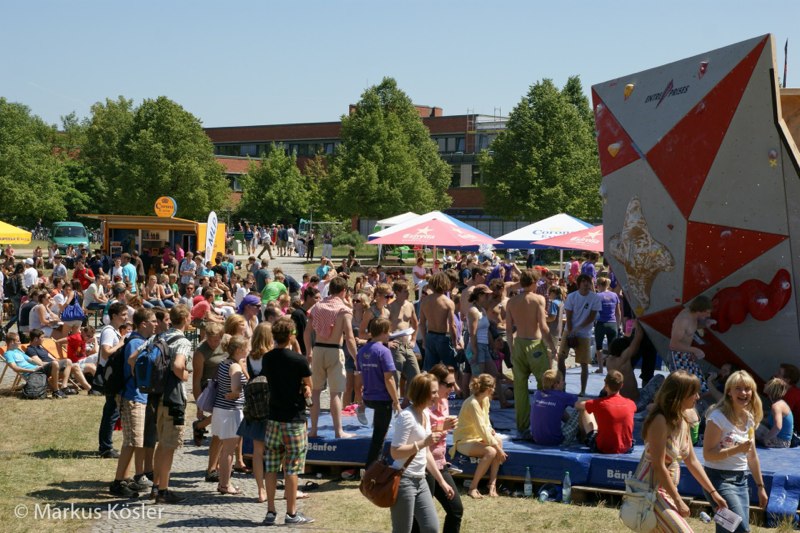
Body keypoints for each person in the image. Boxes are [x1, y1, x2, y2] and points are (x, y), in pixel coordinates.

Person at [632, 371, 728, 531]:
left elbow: (692, 461)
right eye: (694, 393)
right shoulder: (660, 420)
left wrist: (713, 493)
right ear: (679, 395)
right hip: (651, 493)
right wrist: (678, 501)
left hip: (666, 492)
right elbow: (658, 465)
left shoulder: (683, 420)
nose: (698, 397)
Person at [262, 317, 315, 526]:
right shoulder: (298, 360)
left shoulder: (267, 359)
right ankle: (291, 513)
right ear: (292, 335)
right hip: (294, 419)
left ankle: (270, 511)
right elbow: (308, 384)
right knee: (292, 467)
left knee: (272, 467)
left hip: (274, 417)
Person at [702, 370, 768, 532]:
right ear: (729, 392)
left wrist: (760, 486)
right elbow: (708, 454)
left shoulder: (749, 418)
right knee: (741, 529)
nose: (743, 393)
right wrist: (736, 449)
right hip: (717, 479)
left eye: (747, 389)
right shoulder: (717, 418)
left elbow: (752, 456)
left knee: (728, 529)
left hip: (741, 480)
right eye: (738, 388)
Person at [390, 373, 453, 533]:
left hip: (421, 480)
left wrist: (442, 482)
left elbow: (426, 453)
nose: (437, 395)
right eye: (433, 392)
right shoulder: (406, 417)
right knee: (402, 530)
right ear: (422, 392)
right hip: (404, 481)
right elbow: (395, 452)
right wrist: (423, 442)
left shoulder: (424, 413)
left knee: (431, 528)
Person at [110, 308, 157, 497]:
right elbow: (133, 370)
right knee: (132, 440)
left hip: (139, 396)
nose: (156, 324)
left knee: (133, 440)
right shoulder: (136, 343)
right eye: (153, 321)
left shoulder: (141, 341)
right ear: (143, 323)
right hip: (132, 396)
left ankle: (128, 477)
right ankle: (119, 482)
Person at [305, 276, 358, 439]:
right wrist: (356, 358)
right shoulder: (343, 310)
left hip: (319, 349)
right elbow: (349, 337)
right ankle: (338, 431)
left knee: (315, 392)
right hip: (335, 350)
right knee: (336, 393)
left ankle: (313, 430)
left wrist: (309, 350)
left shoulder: (317, 306)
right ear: (344, 291)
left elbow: (307, 331)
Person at [506, 269, 558, 435]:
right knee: (544, 385)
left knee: (519, 388)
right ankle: (544, 421)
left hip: (519, 343)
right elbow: (543, 327)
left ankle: (522, 425)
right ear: (534, 283)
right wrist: (552, 345)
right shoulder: (538, 299)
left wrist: (511, 348)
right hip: (535, 345)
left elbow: (508, 329)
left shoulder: (512, 302)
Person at [152, 305, 193, 504]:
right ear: (185, 319)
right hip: (173, 397)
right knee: (169, 446)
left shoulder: (158, 337)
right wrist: (185, 375)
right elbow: (178, 366)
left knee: (161, 443)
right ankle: (163, 491)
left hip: (155, 396)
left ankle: (155, 486)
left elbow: (134, 360)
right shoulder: (183, 341)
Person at [418, 364, 462, 533]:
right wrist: (442, 427)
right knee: (420, 519)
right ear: (435, 383)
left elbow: (441, 429)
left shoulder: (444, 402)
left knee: (456, 509)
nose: (453, 388)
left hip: (440, 463)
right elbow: (421, 438)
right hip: (424, 467)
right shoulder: (423, 407)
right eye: (449, 385)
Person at [451, 373, 506, 499]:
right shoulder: (472, 403)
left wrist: (492, 431)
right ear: (489, 389)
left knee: (498, 441)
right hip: (464, 440)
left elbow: (486, 422)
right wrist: (498, 449)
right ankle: (473, 487)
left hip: (477, 437)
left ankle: (492, 484)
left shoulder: (485, 399)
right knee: (491, 451)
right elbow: (482, 429)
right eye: (493, 388)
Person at [236, 322, 274, 502]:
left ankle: (261, 489)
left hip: (254, 407)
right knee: (275, 450)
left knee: (258, 452)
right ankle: (273, 485)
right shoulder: (272, 356)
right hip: (271, 406)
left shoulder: (250, 357)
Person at [358, 317, 401, 467]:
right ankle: (372, 468)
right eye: (388, 332)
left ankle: (374, 465)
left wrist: (361, 398)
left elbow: (361, 376)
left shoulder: (362, 351)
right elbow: (389, 379)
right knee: (380, 435)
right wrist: (396, 401)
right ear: (383, 332)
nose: (390, 334)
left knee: (378, 431)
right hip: (383, 398)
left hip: (369, 396)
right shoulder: (384, 351)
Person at [212, 335, 248, 495]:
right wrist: (236, 392)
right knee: (228, 451)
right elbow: (235, 388)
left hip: (221, 410)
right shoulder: (235, 366)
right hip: (231, 411)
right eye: (246, 348)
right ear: (239, 350)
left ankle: (224, 482)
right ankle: (225, 485)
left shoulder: (224, 363)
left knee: (225, 449)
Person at [558, 274, 601, 396]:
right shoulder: (572, 297)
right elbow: (569, 316)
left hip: (584, 333)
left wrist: (578, 329)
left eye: (588, 281)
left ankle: (582, 390)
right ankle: (562, 383)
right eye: (583, 281)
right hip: (569, 329)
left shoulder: (595, 298)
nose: (586, 284)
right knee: (561, 357)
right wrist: (571, 331)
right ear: (579, 284)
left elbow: (592, 317)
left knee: (584, 363)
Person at [576, 370, 636, 454]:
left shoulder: (599, 403)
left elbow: (578, 405)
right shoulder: (631, 404)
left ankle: (583, 438)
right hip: (626, 447)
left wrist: (589, 401)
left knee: (585, 410)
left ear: (606, 386)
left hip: (604, 447)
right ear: (621, 385)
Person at [98, 302, 129, 458]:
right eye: (123, 315)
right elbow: (106, 353)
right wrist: (121, 343)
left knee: (111, 410)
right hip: (109, 374)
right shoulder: (109, 332)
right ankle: (105, 447)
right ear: (114, 316)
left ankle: (106, 445)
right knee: (111, 411)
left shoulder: (114, 331)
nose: (126, 317)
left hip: (113, 373)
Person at [669, 295, 714, 394]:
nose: (709, 315)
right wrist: (694, 350)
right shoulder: (683, 320)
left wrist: (705, 324)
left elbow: (690, 330)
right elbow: (673, 345)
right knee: (684, 389)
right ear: (700, 310)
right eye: (707, 312)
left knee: (700, 387)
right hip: (678, 356)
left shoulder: (693, 316)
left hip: (687, 354)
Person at [2, 331, 65, 398]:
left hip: (37, 369)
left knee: (60, 364)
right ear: (12, 342)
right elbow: (15, 368)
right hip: (32, 373)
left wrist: (43, 365)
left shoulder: (17, 351)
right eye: (18, 341)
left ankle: (61, 389)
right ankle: (56, 391)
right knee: (54, 364)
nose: (20, 343)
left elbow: (31, 360)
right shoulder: (8, 354)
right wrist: (31, 370)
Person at [530, 369, 583, 446]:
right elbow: (584, 403)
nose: (564, 383)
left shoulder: (537, 394)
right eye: (562, 380)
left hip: (537, 439)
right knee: (582, 409)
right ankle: (585, 437)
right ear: (556, 384)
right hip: (557, 441)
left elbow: (555, 408)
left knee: (556, 408)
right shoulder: (562, 396)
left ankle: (578, 432)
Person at [419, 272, 459, 372]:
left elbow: (422, 323)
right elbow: (452, 325)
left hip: (430, 336)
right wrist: (455, 342)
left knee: (430, 370)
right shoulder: (448, 302)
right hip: (443, 337)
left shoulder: (425, 301)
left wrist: (424, 339)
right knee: (451, 369)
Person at [757, 377, 794, 448]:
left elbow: (777, 427)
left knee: (752, 425)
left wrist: (766, 438)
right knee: (755, 422)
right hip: (784, 442)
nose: (765, 384)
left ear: (771, 389)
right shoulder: (780, 403)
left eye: (767, 384)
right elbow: (770, 418)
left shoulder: (776, 406)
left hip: (781, 442)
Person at [594, 277, 621, 374]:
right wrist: (618, 325)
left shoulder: (597, 296)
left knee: (599, 347)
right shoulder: (614, 295)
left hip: (601, 323)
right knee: (612, 349)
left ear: (599, 285)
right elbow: (618, 312)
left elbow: (594, 311)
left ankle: (601, 368)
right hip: (612, 323)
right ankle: (612, 369)